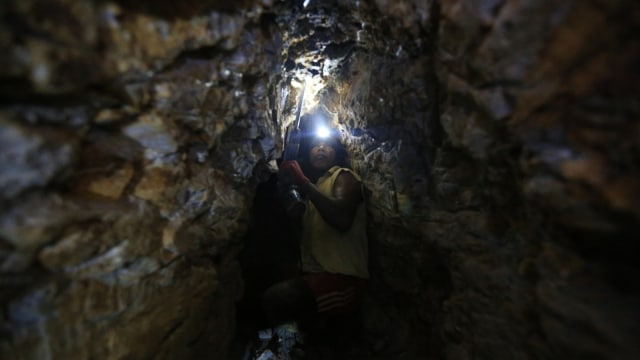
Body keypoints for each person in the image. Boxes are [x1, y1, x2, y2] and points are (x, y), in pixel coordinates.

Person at [258, 129, 369, 354]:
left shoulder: (343, 176)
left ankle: (295, 346)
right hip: (318, 276)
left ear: (335, 154)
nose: (320, 148)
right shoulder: (312, 195)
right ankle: (311, 344)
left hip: (343, 281)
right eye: (315, 145)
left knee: (277, 298)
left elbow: (341, 219)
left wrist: (303, 182)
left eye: (326, 145)